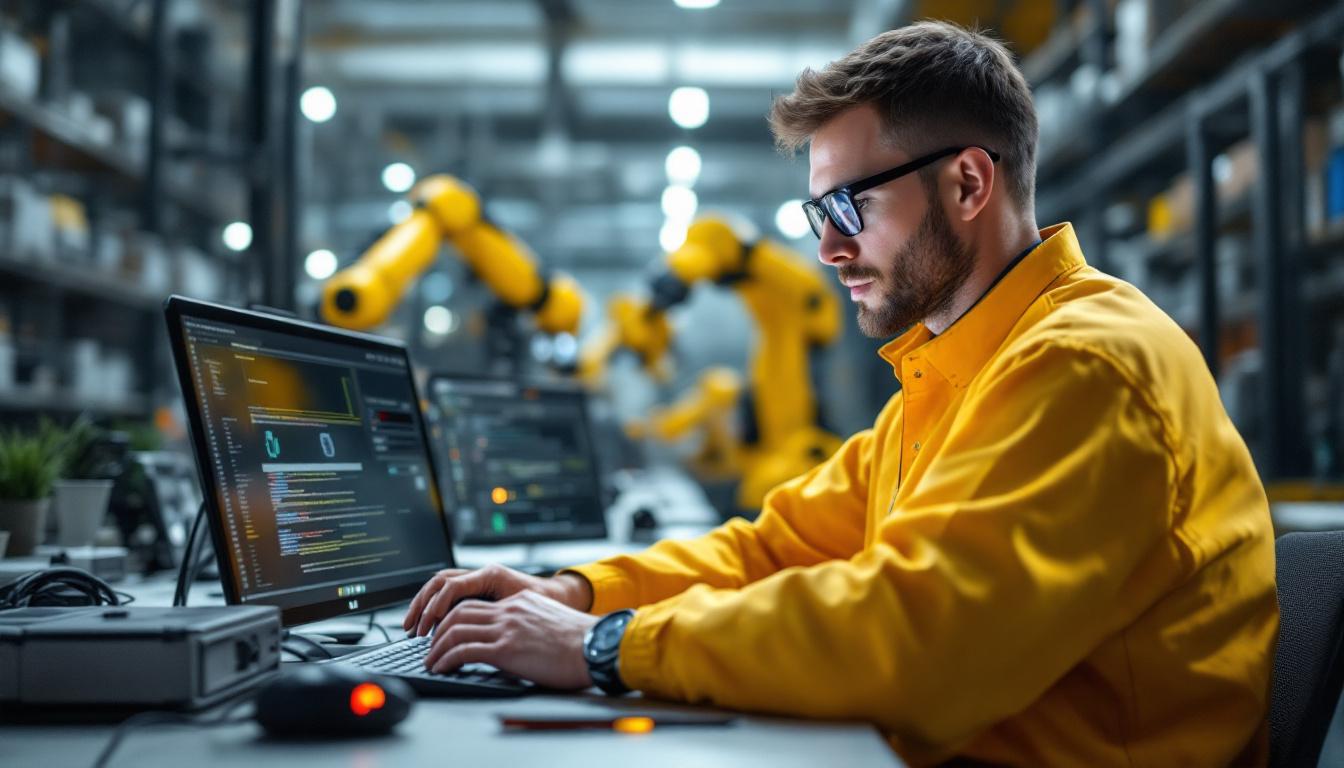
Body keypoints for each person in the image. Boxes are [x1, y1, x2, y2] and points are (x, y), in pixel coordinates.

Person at [402, 21, 1277, 766]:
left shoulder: (1087, 365)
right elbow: (775, 553)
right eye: (820, 217)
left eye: (849, 208)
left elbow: (920, 641)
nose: (829, 250)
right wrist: (580, 594)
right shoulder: (950, 379)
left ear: (969, 182)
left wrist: (605, 649)